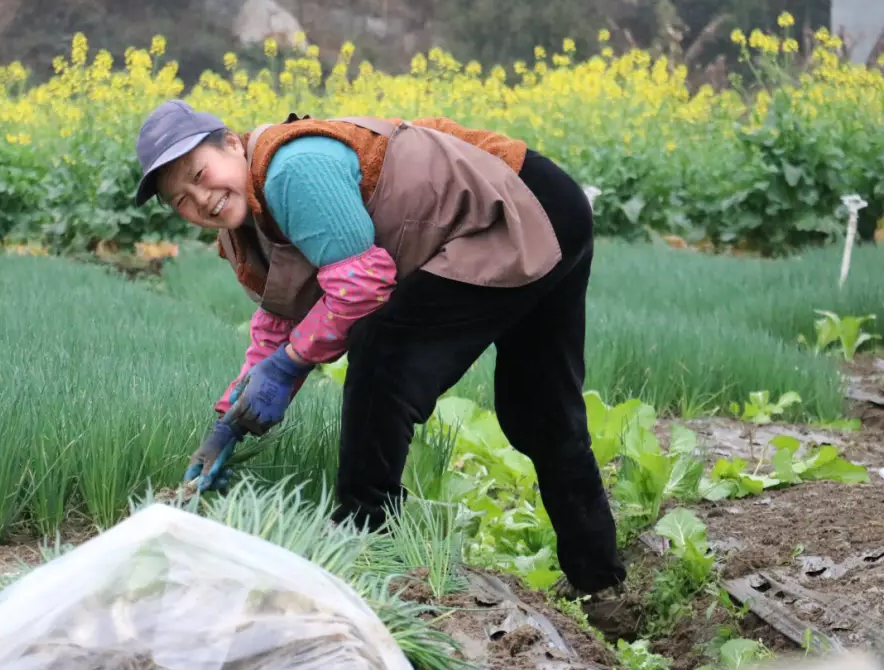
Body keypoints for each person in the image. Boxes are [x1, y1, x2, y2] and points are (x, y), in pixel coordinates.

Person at [133, 99, 627, 598]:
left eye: (200, 173)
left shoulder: (292, 170)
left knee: (384, 354)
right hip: (538, 205)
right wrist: (229, 422)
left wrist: (288, 367)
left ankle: (363, 539)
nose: (202, 198)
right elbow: (279, 319)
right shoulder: (246, 230)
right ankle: (601, 584)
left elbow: (362, 285)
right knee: (539, 410)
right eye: (182, 200)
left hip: (522, 205)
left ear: (233, 144)